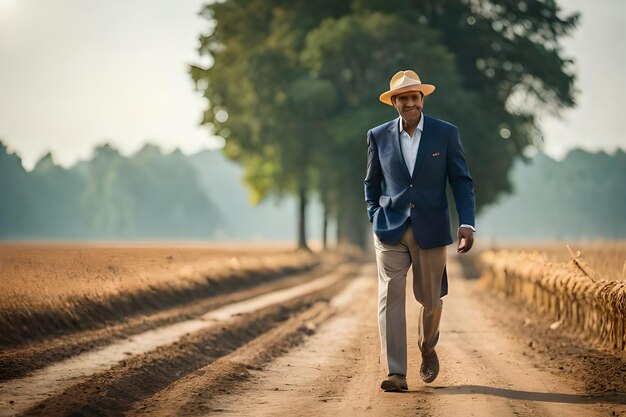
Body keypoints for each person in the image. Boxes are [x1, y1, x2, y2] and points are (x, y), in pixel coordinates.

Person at [364, 70, 476, 391]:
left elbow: (461, 181)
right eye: (403, 98)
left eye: (414, 97)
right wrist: (375, 215)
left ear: (422, 100)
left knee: (431, 300)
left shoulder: (446, 133)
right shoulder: (378, 135)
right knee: (390, 297)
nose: (410, 103)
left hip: (432, 228)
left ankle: (427, 345)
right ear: (394, 103)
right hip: (390, 229)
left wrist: (466, 222)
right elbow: (371, 183)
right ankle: (395, 373)